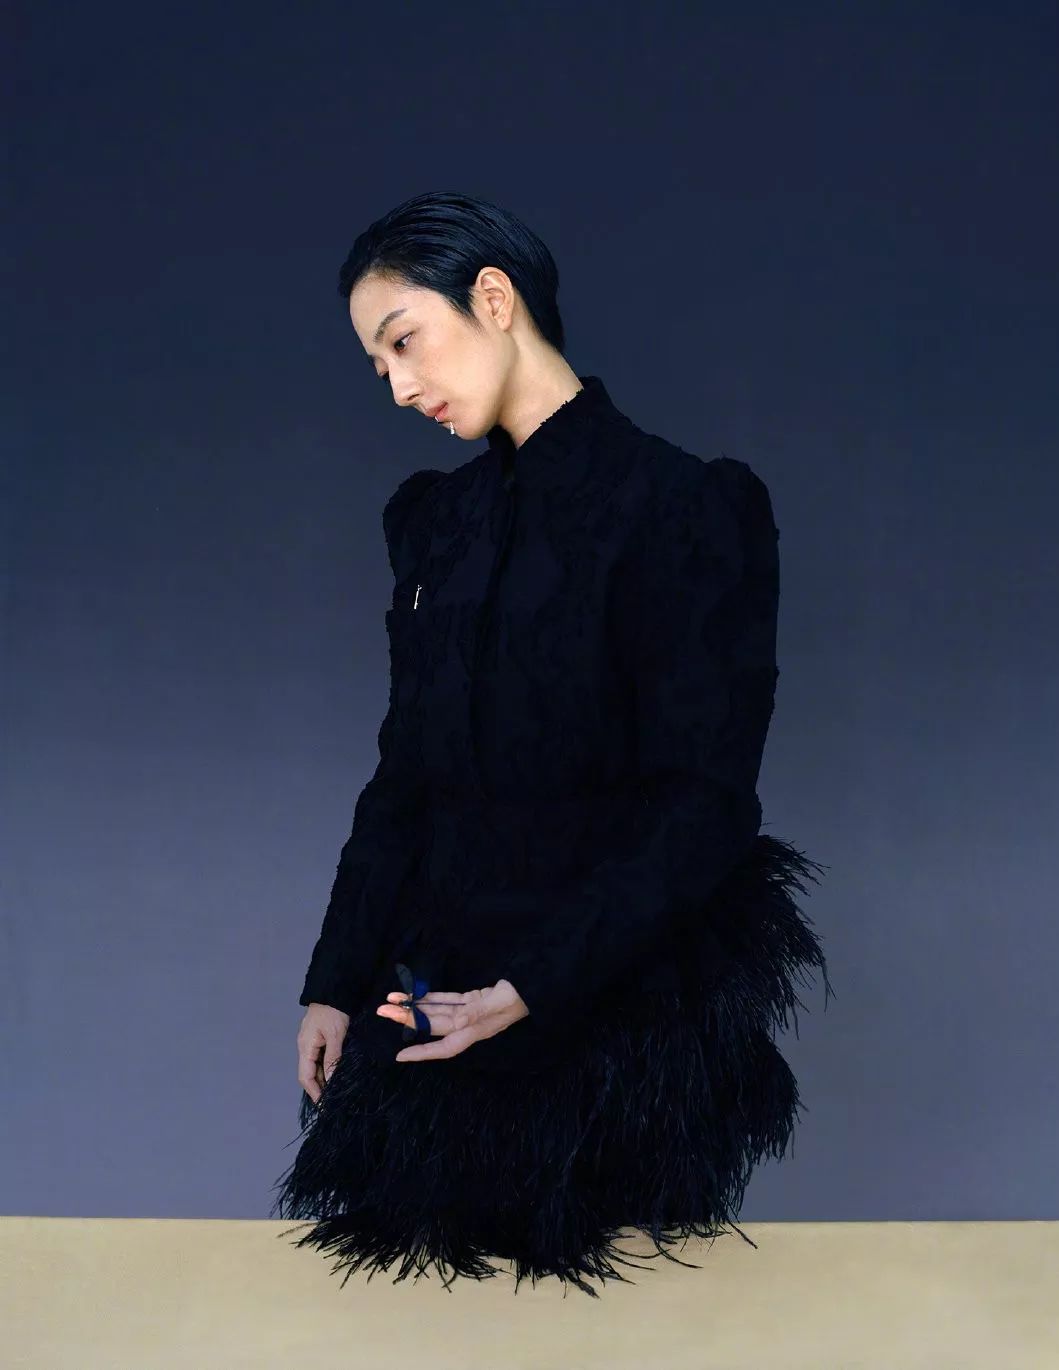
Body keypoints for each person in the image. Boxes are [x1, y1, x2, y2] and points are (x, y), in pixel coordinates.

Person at [270, 190, 833, 1297]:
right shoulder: (436, 523)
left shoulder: (684, 507)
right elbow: (405, 776)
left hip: (611, 1000)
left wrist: (531, 983)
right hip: (435, 987)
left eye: (403, 342)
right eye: (377, 366)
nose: (397, 388)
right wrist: (333, 981)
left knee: (606, 1313)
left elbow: (707, 800)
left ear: (494, 298)